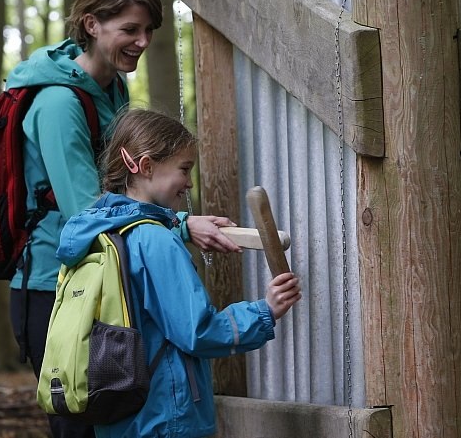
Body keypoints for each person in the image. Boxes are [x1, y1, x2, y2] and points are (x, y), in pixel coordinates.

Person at [4, 0, 241, 438]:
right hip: (56, 287)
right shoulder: (58, 104)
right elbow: (86, 214)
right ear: (91, 24)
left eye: (150, 30)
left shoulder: (113, 87)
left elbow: (126, 190)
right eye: (130, 29)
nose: (143, 41)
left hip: (106, 277)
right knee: (80, 428)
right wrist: (179, 225)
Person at [56, 109, 303, 438]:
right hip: (166, 415)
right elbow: (197, 330)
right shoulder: (155, 240)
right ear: (144, 166)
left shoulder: (100, 234)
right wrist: (265, 311)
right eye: (184, 169)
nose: (188, 183)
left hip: (122, 414)